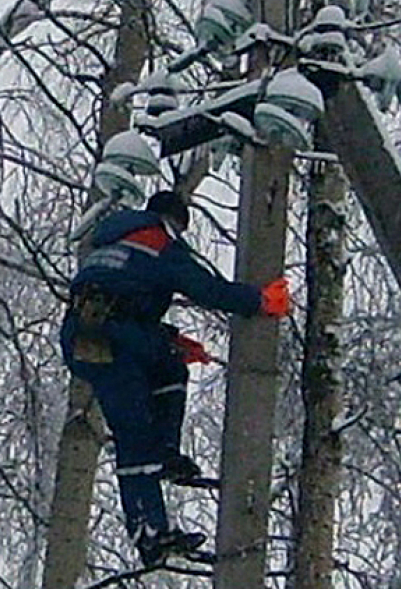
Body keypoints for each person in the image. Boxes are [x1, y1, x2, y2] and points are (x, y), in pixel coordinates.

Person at [59, 190, 290, 567]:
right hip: (116, 338)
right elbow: (206, 288)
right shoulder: (159, 241)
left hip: (87, 335)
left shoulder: (112, 238)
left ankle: (162, 457)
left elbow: (122, 295)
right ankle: (150, 529)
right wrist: (259, 301)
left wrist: (172, 341)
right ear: (175, 221)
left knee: (167, 367)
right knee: (135, 434)